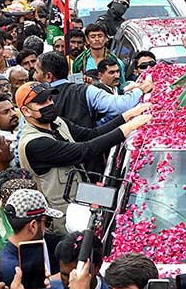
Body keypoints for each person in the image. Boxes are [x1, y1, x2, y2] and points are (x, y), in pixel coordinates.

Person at [16, 81, 151, 230]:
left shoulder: (57, 122)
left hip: (82, 196)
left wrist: (127, 115)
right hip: (64, 215)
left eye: (50, 99)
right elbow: (86, 150)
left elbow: (90, 135)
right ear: (26, 111)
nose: (49, 104)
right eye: (42, 103)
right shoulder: (35, 144)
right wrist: (130, 127)